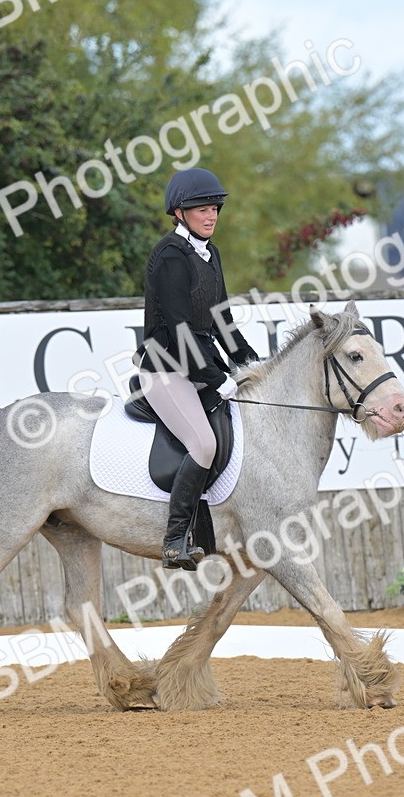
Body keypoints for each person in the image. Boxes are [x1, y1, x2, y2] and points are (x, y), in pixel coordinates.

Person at [135, 167, 259, 570]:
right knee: (204, 444)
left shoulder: (211, 253)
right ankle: (174, 539)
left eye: (214, 209)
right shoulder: (170, 257)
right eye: (201, 209)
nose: (210, 216)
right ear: (179, 212)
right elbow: (180, 328)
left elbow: (221, 319)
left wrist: (250, 363)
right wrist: (216, 378)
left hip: (199, 366)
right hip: (167, 370)